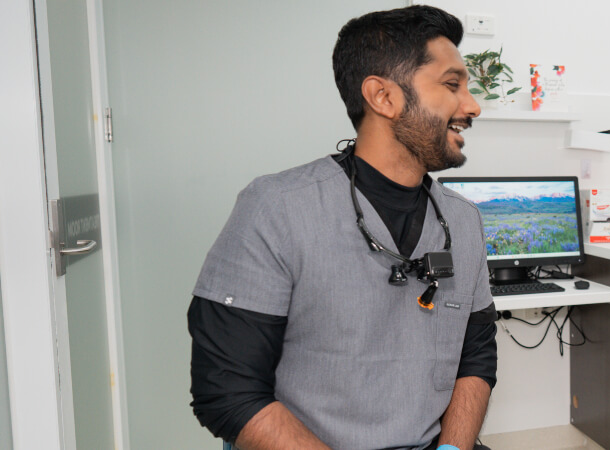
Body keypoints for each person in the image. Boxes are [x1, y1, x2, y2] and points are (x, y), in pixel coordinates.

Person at [187, 6, 497, 450]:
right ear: (383, 96)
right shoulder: (276, 209)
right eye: (452, 85)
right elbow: (228, 392)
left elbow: (477, 357)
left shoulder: (463, 222)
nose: (472, 106)